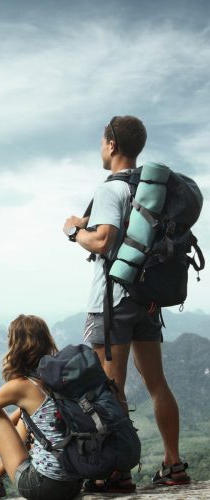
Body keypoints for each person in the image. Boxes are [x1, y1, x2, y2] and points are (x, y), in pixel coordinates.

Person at [62, 115, 189, 491]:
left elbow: (102, 241)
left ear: (112, 144)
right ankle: (173, 464)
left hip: (113, 301)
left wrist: (73, 231)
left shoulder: (110, 190)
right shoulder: (152, 191)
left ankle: (116, 471)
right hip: (148, 300)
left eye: (103, 141)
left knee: (109, 387)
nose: (101, 148)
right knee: (157, 384)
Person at [0, 314, 83, 500]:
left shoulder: (22, 386)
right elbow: (21, 421)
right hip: (73, 484)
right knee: (23, 414)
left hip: (43, 487)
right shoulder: (56, 380)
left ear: (16, 347)